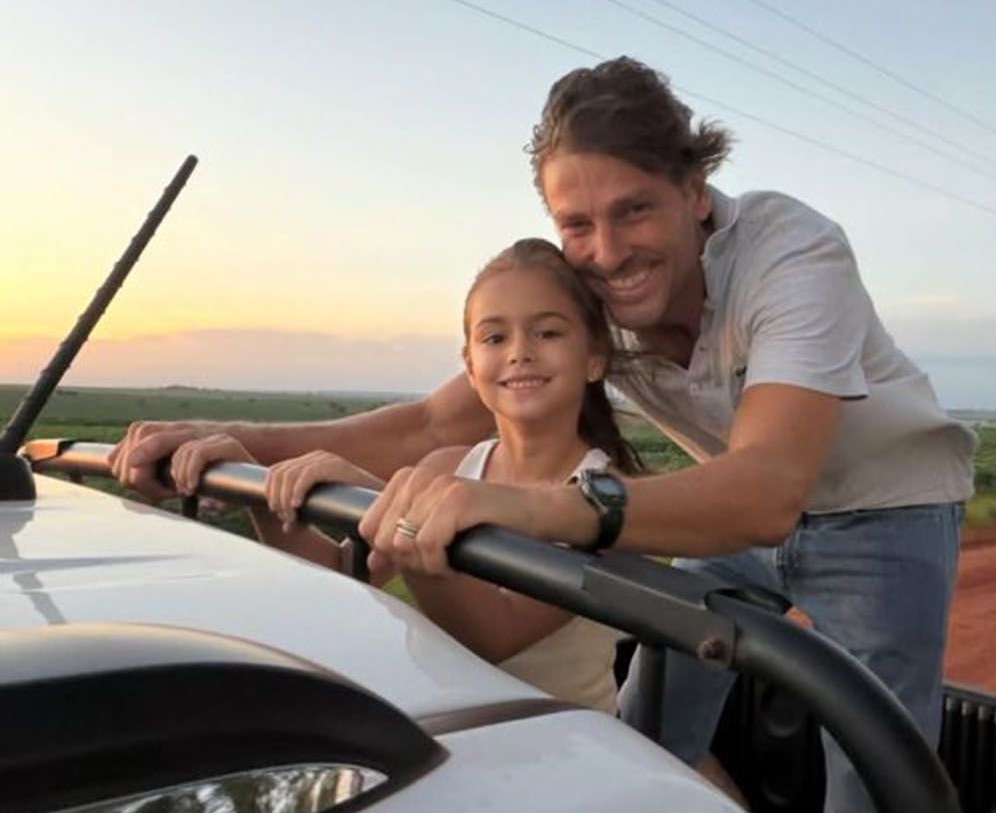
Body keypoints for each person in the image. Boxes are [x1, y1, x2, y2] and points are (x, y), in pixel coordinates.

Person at [112, 55, 975, 813]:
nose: (607, 251)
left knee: (872, 798)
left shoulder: (793, 256)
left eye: (634, 210)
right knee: (647, 729)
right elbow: (428, 423)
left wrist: (534, 507)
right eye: (577, 224)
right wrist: (237, 443)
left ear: (696, 190)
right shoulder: (590, 298)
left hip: (876, 511)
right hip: (723, 497)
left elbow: (766, 490)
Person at [165, 238, 642, 713]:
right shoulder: (446, 467)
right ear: (470, 367)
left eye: (548, 333)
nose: (520, 352)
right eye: (495, 338)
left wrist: (387, 504)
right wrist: (264, 492)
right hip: (452, 725)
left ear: (595, 355)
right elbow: (344, 572)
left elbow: (493, 637)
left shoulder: (606, 499)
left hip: (566, 742)